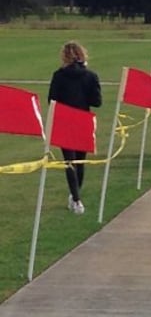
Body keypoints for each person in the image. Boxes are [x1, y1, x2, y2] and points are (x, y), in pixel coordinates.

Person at [48, 41, 102, 215]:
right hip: (83, 119)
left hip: (65, 120)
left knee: (69, 161)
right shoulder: (91, 76)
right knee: (80, 161)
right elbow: (97, 102)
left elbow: (52, 100)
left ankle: (76, 198)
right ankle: (75, 196)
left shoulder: (58, 75)